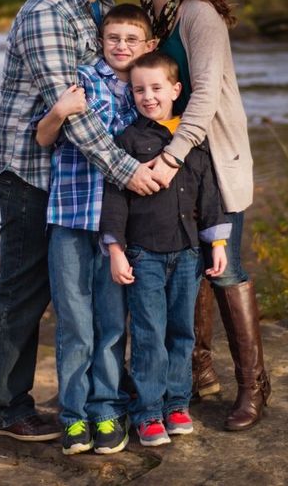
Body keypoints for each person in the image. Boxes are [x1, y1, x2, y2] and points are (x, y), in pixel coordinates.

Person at [0, 0, 161, 440]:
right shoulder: (47, 13)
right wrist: (129, 171)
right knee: (24, 287)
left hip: (81, 180)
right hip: (31, 173)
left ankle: (106, 392)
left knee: (101, 289)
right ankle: (8, 409)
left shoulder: (100, 8)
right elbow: (76, 115)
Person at [128, 0, 271, 431]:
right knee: (186, 265)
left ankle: (254, 388)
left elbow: (205, 95)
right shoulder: (155, 14)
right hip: (180, 161)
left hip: (211, 159)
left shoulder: (199, 15)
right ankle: (198, 369)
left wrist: (169, 157)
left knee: (225, 269)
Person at [34, 4, 157, 455]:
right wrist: (61, 110)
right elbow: (43, 137)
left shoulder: (147, 94)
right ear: (100, 40)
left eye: (131, 39)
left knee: (110, 321)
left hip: (117, 228)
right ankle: (73, 415)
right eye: (113, 38)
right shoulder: (81, 79)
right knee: (73, 321)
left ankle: (106, 409)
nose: (121, 46)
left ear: (147, 45)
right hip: (69, 217)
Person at [100, 51, 231, 446]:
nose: (148, 96)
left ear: (176, 89)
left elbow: (209, 195)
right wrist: (116, 250)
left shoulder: (191, 138)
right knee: (148, 333)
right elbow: (114, 198)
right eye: (139, 89)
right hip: (145, 254)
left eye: (156, 88)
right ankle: (149, 413)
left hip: (189, 253)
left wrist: (218, 243)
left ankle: (177, 404)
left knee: (182, 332)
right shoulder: (127, 140)